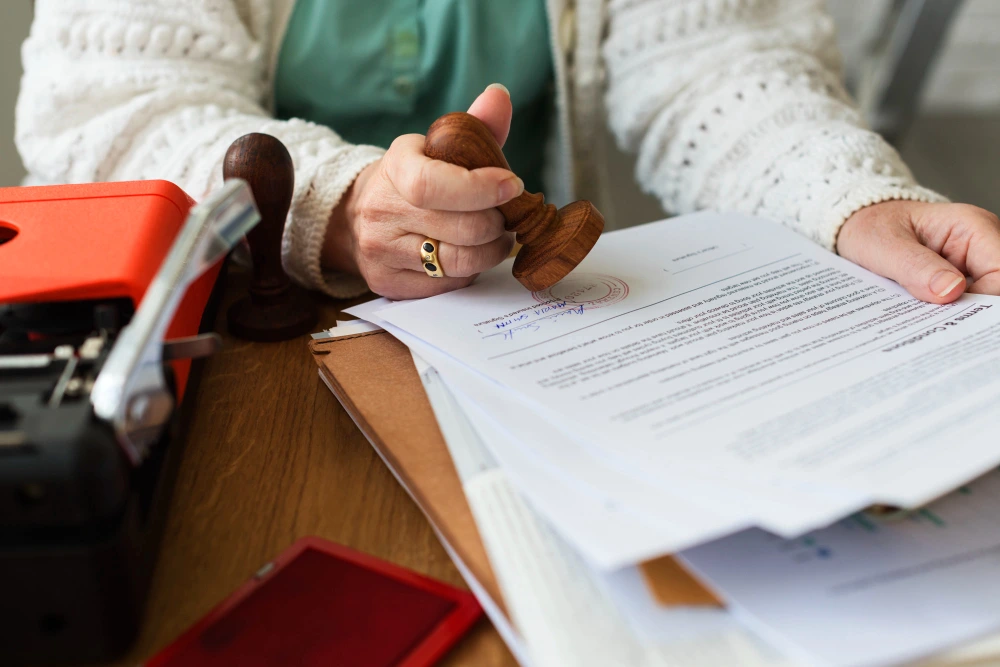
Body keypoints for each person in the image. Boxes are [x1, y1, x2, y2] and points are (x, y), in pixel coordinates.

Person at [16, 0, 1000, 304]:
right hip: (238, 334)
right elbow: (116, 109)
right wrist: (339, 203)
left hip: (528, 325)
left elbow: (710, 54)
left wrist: (843, 193)